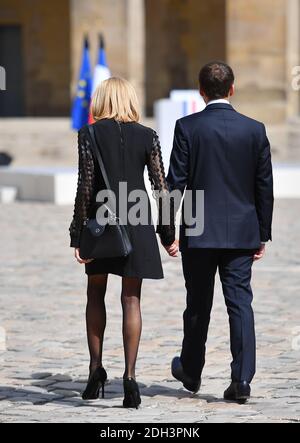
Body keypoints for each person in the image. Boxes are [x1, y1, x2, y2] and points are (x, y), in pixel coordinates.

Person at [167, 61, 274, 403]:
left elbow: (175, 184)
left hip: (198, 229)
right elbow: (263, 186)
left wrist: (166, 230)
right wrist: (263, 233)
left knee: (197, 302)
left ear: (201, 92)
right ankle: (242, 380)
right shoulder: (254, 129)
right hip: (243, 231)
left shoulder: (187, 127)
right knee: (240, 303)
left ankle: (191, 370)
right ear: (232, 89)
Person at [69, 77, 176, 409]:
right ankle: (130, 379)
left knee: (95, 294)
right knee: (132, 299)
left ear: (101, 100)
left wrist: (78, 233)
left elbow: (86, 185)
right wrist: (168, 234)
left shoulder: (89, 134)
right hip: (138, 220)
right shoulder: (148, 135)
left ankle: (95, 369)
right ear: (130, 100)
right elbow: (162, 187)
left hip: (103, 222)